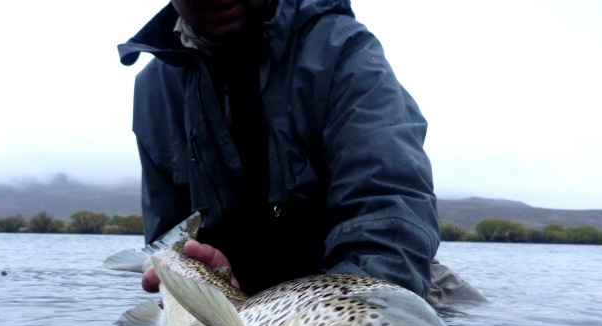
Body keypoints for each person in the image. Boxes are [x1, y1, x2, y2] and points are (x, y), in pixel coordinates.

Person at [118, 0, 441, 299]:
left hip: (372, 291)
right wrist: (208, 296)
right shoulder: (153, 91)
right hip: (250, 309)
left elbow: (388, 213)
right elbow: (169, 244)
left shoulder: (341, 48)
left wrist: (346, 323)